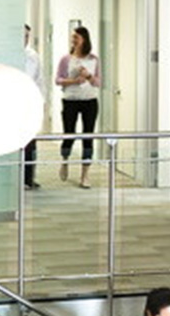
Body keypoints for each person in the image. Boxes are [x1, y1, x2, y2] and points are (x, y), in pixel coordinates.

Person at [55, 26, 101, 189]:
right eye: (72, 37)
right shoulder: (65, 59)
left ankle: (85, 174)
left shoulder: (94, 59)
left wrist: (88, 76)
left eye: (77, 37)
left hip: (90, 101)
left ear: (84, 40)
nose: (73, 40)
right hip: (70, 101)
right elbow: (58, 80)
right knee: (69, 133)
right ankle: (65, 161)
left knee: (88, 136)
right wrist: (74, 80)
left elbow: (99, 82)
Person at [22, 24, 44, 191]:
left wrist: (41, 103)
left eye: (27, 36)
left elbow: (39, 80)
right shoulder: (4, 54)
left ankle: (29, 178)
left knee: (30, 144)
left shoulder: (32, 56)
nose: (25, 39)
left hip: (29, 104)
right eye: (23, 35)